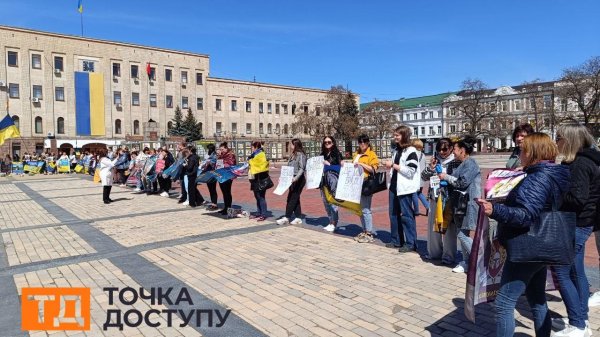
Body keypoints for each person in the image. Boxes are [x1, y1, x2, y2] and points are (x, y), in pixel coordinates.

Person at [477, 133, 569, 337]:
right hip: (542, 244)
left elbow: (525, 215)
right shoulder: (551, 173)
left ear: (533, 152)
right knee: (536, 297)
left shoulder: (538, 178)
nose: (520, 153)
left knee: (503, 303)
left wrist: (495, 210)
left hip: (528, 245)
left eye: (523, 149)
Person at [550, 123, 600, 337]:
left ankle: (578, 324)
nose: (556, 142)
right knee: (576, 271)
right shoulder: (587, 160)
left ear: (570, 141)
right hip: (581, 222)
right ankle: (583, 319)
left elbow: (577, 199)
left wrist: (553, 192)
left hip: (576, 224)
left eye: (559, 138)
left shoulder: (580, 164)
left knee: (562, 272)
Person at [438, 136, 480, 273]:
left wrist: (446, 177)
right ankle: (467, 262)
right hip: (460, 204)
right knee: (463, 233)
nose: (453, 152)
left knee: (461, 234)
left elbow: (462, 183)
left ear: (463, 150)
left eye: (455, 149)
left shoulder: (471, 164)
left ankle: (481, 258)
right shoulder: (463, 164)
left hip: (468, 204)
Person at [421, 138, 461, 264]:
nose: (442, 152)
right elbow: (423, 176)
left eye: (445, 149)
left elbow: (458, 180)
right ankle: (434, 253)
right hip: (434, 196)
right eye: (439, 149)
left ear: (450, 148)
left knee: (449, 228)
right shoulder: (435, 160)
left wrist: (445, 179)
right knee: (433, 226)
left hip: (448, 198)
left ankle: (448, 255)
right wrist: (431, 168)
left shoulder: (455, 162)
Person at [385, 126, 420, 252]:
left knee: (406, 215)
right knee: (393, 214)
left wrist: (393, 165)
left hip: (405, 188)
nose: (395, 137)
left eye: (397, 135)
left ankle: (411, 243)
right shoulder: (397, 150)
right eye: (394, 135)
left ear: (404, 135)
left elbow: (411, 171)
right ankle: (396, 240)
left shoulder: (411, 151)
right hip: (394, 187)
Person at [353, 134, 380, 243]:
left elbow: (373, 169)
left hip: (366, 183)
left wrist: (361, 164)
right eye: (360, 142)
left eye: (364, 142)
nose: (362, 144)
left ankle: (369, 232)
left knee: (366, 209)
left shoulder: (371, 154)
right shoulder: (356, 154)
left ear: (368, 143)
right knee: (360, 209)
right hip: (356, 183)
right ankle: (364, 230)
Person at [277, 139, 307, 226]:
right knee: (294, 198)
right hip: (290, 179)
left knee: (292, 198)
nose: (290, 146)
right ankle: (298, 217)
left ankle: (287, 217)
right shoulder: (292, 155)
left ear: (295, 145)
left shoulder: (301, 155)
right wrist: (282, 178)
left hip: (298, 180)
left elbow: (302, 168)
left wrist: (296, 178)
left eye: (291, 144)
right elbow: (287, 168)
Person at [320, 136, 343, 232]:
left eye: (329, 142)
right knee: (325, 202)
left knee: (333, 202)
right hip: (323, 181)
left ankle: (334, 223)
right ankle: (330, 221)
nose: (327, 144)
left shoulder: (337, 153)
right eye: (325, 142)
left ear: (333, 143)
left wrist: (328, 164)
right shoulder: (322, 154)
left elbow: (341, 165)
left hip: (333, 181)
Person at [248, 141, 270, 221]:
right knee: (257, 197)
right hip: (255, 178)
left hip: (261, 179)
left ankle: (263, 214)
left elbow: (261, 165)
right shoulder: (254, 155)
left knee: (261, 197)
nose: (251, 149)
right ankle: (258, 212)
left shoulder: (261, 154)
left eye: (252, 147)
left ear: (256, 147)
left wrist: (250, 161)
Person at [411, 139, 430, 216]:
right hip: (422, 178)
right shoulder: (423, 155)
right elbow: (425, 166)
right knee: (419, 193)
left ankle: (416, 211)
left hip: (415, 178)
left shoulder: (414, 154)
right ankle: (428, 206)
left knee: (414, 194)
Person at [217, 142, 236, 215]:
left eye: (222, 149)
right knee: (224, 192)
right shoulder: (222, 155)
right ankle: (225, 208)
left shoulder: (230, 154)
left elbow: (231, 164)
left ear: (226, 148)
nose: (221, 151)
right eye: (220, 149)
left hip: (228, 176)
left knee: (227, 192)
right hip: (221, 175)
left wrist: (222, 161)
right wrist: (219, 157)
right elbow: (218, 163)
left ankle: (228, 208)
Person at [204, 144, 219, 210]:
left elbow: (215, 164)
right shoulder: (209, 155)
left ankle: (214, 204)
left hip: (213, 173)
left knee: (213, 189)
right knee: (210, 189)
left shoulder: (214, 155)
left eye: (208, 149)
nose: (207, 150)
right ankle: (213, 203)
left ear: (210, 149)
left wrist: (209, 162)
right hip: (208, 173)